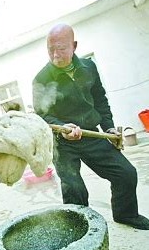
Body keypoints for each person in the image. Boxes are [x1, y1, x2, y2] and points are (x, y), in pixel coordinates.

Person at [32, 23, 149, 230]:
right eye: (51, 49)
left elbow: (100, 99)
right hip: (62, 142)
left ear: (74, 46)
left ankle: (126, 214)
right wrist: (62, 127)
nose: (55, 55)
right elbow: (43, 116)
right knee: (74, 189)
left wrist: (109, 128)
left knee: (126, 173)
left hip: (91, 134)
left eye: (61, 48)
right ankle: (79, 231)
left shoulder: (88, 67)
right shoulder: (41, 79)